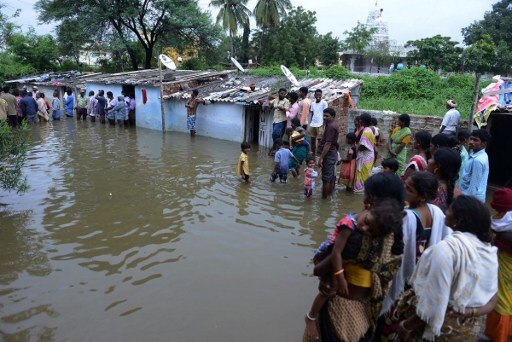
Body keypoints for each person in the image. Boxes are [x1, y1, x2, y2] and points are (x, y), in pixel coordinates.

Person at [304, 172, 405, 342]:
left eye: (366, 194)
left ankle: (311, 317)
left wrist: (333, 276)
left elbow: (319, 269)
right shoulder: (393, 231)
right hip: (369, 307)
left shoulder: (361, 235)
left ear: (373, 201)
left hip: (343, 309)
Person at [396, 196, 498, 341]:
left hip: (436, 331)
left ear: (459, 221)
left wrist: (406, 326)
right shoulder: (489, 252)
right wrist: (468, 311)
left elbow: (433, 306)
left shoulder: (445, 251)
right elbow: (492, 300)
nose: (446, 211)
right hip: (466, 331)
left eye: (450, 209)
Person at [377, 171, 450, 340]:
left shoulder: (408, 217)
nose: (404, 189)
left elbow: (392, 251)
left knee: (390, 320)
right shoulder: (436, 212)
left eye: (409, 189)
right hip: (423, 280)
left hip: (404, 280)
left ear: (422, 196)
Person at [485, 188, 512, 342]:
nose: (497, 216)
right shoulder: (503, 220)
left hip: (506, 266)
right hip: (505, 265)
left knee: (502, 300)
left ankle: (499, 337)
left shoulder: (505, 223)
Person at [459, 129, 491, 202]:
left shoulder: (478, 160)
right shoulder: (476, 154)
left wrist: (467, 202)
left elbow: (474, 186)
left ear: (484, 143)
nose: (471, 142)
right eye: (471, 139)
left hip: (470, 199)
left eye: (475, 140)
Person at [427, 147, 462, 213]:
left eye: (432, 158)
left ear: (437, 166)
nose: (429, 160)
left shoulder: (429, 188)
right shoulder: (457, 192)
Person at [317, 108, 339, 199]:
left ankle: (324, 201)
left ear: (333, 117)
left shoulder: (331, 126)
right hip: (331, 154)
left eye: (327, 116)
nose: (324, 117)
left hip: (329, 155)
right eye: (324, 115)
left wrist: (321, 158)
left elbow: (328, 143)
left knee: (326, 179)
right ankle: (329, 196)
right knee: (330, 177)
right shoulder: (331, 124)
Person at [353, 113, 375, 193]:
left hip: (365, 157)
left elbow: (363, 147)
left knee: (363, 175)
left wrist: (353, 149)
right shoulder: (368, 130)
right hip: (367, 156)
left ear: (362, 121)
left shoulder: (366, 132)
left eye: (360, 120)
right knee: (364, 174)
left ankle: (360, 193)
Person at [308, 89, 328, 156]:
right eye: (317, 95)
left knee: (320, 140)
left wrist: (324, 124)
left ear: (321, 95)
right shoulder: (313, 103)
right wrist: (311, 122)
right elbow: (312, 113)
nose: (318, 96)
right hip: (313, 124)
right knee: (312, 140)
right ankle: (313, 154)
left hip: (320, 124)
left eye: (320, 95)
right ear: (314, 95)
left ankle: (318, 154)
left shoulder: (324, 103)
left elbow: (326, 114)